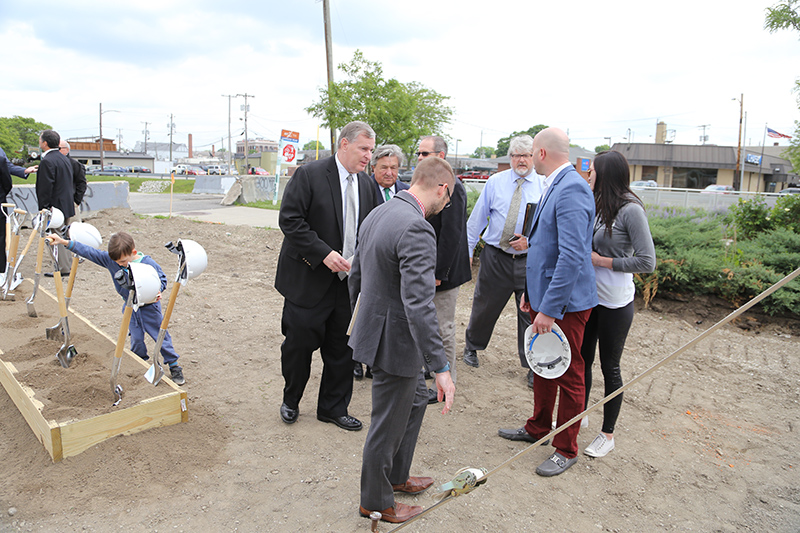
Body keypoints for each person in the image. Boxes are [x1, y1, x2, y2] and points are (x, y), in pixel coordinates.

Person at [349, 156, 456, 524]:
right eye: (449, 196)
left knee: (412, 403)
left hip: (378, 331)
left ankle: (396, 475)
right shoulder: (417, 227)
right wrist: (440, 367)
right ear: (441, 187)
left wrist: (362, 324)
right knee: (386, 423)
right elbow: (420, 304)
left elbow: (356, 277)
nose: (447, 204)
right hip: (395, 342)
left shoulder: (380, 212)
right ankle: (376, 503)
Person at [498, 127, 597, 477]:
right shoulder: (556, 184)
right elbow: (543, 247)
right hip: (547, 297)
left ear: (540, 153)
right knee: (541, 364)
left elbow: (571, 257)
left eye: (531, 152)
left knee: (568, 372)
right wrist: (532, 294)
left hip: (566, 304)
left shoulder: (570, 189)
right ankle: (539, 426)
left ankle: (566, 448)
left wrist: (550, 309)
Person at [274, 121, 380, 431]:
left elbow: (371, 229)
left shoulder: (367, 185)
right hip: (309, 280)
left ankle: (333, 408)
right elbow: (290, 220)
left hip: (348, 286)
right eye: (364, 149)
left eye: (371, 150)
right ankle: (291, 398)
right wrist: (323, 253)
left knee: (342, 349)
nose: (368, 157)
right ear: (344, 144)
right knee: (298, 345)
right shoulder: (310, 174)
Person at [580, 151, 655, 458]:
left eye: (593, 171)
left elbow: (647, 261)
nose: (588, 175)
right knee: (581, 361)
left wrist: (604, 261)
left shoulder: (630, 210)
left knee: (609, 366)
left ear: (606, 175)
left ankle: (607, 434)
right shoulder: (594, 201)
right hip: (587, 297)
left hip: (615, 303)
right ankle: (577, 416)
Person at [47, 231, 186, 385]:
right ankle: (140, 363)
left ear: (133, 253)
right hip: (130, 307)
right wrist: (64, 242)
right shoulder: (112, 260)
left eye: (123, 261)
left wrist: (158, 290)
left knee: (160, 336)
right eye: (117, 262)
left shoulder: (147, 263)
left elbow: (161, 278)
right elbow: (90, 252)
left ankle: (174, 365)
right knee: (136, 338)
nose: (119, 264)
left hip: (149, 307)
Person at [463, 134, 544, 387]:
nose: (521, 160)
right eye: (516, 155)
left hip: (529, 261)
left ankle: (532, 363)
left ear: (534, 157)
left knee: (530, 313)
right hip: (495, 257)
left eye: (527, 155)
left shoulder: (544, 185)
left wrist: (531, 242)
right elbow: (476, 220)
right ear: (510, 158)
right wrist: (467, 252)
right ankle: (472, 347)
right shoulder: (495, 182)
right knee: (484, 306)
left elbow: (549, 228)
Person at [416, 135, 471, 403]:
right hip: (430, 269)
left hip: (444, 273)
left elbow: (452, 234)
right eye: (418, 154)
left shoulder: (454, 187)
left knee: (443, 326)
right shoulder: (428, 184)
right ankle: (431, 369)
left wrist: (439, 273)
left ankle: (447, 380)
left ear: (441, 155)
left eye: (425, 154)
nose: (420, 159)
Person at [353, 144, 409, 380]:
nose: (389, 173)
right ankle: (356, 358)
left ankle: (376, 361)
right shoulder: (364, 190)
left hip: (395, 266)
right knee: (361, 308)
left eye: (394, 168)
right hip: (368, 261)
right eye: (384, 167)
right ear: (373, 167)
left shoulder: (406, 192)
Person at [37, 130, 75, 276]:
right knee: (64, 235)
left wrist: (44, 208)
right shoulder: (63, 158)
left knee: (56, 237)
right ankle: (66, 265)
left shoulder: (47, 161)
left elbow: (45, 187)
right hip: (66, 204)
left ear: (45, 143)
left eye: (40, 140)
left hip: (55, 206)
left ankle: (63, 268)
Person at [58, 140, 88, 224]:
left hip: (71, 202)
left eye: (59, 148)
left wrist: (77, 201)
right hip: (57, 203)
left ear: (67, 150)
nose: (57, 151)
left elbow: (81, 183)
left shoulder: (75, 164)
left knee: (73, 228)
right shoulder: (54, 163)